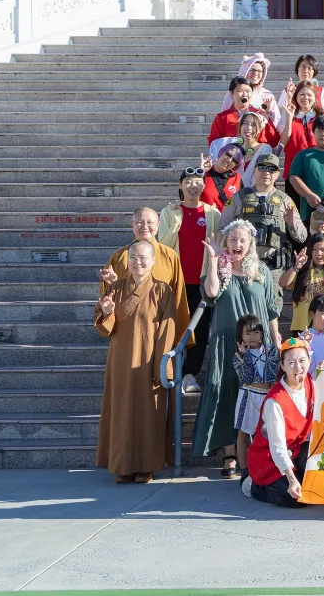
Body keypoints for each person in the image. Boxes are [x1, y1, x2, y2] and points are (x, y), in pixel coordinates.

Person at [194, 220, 281, 480]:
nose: (237, 244)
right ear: (225, 243)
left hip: (258, 345)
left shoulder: (262, 272)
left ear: (251, 243)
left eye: (242, 240)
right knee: (226, 393)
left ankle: (257, 451)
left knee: (258, 394)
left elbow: (270, 309)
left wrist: (276, 340)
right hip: (227, 344)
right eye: (232, 240)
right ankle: (230, 453)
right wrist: (212, 260)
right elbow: (210, 293)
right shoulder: (220, 269)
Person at [94, 240, 178, 483]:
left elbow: (167, 328)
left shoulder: (163, 290)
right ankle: (123, 465)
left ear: (153, 261)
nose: (138, 262)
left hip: (149, 360)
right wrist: (107, 311)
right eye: (133, 258)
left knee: (148, 414)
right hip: (120, 361)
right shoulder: (115, 288)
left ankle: (146, 466)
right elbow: (103, 328)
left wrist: (162, 365)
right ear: (127, 261)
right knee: (121, 413)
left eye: (143, 258)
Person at [158, 169, 221, 393]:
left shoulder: (213, 214)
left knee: (200, 330)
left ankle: (189, 374)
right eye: (188, 182)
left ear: (204, 186)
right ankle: (168, 371)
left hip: (202, 281)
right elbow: (162, 245)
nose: (193, 186)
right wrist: (177, 219)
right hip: (175, 281)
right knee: (173, 327)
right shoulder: (169, 212)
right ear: (181, 185)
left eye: (197, 182)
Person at [221, 154, 308, 315]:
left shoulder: (285, 200)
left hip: (274, 268)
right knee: (244, 312)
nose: (266, 172)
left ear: (277, 174)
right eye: (262, 167)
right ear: (254, 170)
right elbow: (222, 229)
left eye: (272, 169)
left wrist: (291, 222)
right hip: (244, 265)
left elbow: (302, 236)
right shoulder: (239, 197)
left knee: (271, 312)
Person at [242, 336, 314, 508]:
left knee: (317, 488)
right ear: (282, 366)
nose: (298, 367)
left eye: (302, 360)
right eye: (292, 363)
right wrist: (291, 479)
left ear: (309, 361)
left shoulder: (312, 383)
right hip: (269, 459)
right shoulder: (275, 401)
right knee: (297, 499)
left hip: (296, 450)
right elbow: (277, 447)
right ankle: (253, 485)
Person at [99, 207, 190, 342]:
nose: (145, 227)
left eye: (150, 222)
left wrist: (180, 333)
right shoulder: (119, 256)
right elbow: (107, 298)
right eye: (139, 222)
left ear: (158, 225)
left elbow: (179, 295)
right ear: (132, 225)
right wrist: (111, 283)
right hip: (128, 329)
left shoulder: (170, 255)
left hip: (160, 325)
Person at [231, 315, 278, 478]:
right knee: (243, 434)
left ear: (262, 334)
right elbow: (246, 378)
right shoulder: (238, 358)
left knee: (266, 433)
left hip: (266, 395)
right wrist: (246, 357)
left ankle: (264, 467)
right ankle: (244, 470)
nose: (252, 336)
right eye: (247, 333)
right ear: (240, 337)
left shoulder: (271, 351)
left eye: (256, 332)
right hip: (248, 395)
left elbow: (271, 374)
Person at [279, 234, 324, 334]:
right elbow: (282, 283)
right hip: (301, 327)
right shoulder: (301, 271)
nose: (319, 253)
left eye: (323, 249)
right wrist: (296, 266)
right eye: (314, 249)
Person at [220, 53, 282, 129]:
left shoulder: (268, 95)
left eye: (259, 71)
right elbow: (224, 118)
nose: (256, 73)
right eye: (252, 70)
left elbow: (276, 121)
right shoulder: (234, 93)